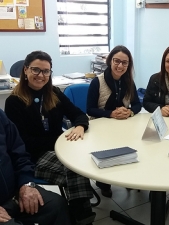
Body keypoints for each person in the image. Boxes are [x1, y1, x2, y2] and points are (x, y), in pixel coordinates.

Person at [4, 51, 96, 225]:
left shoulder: (53, 93)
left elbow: (78, 114)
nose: (41, 75)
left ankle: (79, 212)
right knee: (74, 169)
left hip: (58, 149)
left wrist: (79, 126)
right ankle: (82, 215)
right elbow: (23, 142)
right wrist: (59, 141)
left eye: (46, 71)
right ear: (25, 70)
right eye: (36, 70)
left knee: (81, 162)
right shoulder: (14, 102)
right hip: (34, 157)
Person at [87, 45, 141, 198]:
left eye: (125, 63)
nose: (120, 66)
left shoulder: (129, 81)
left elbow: (137, 104)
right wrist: (111, 113)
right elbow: (89, 109)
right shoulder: (98, 82)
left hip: (123, 126)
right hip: (101, 127)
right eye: (117, 61)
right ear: (110, 61)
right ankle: (104, 183)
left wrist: (129, 111)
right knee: (107, 152)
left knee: (132, 147)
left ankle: (128, 177)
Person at [0, 109, 71, 225]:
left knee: (57, 205)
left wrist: (26, 184)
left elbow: (19, 154)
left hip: (14, 193)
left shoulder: (1, 117)